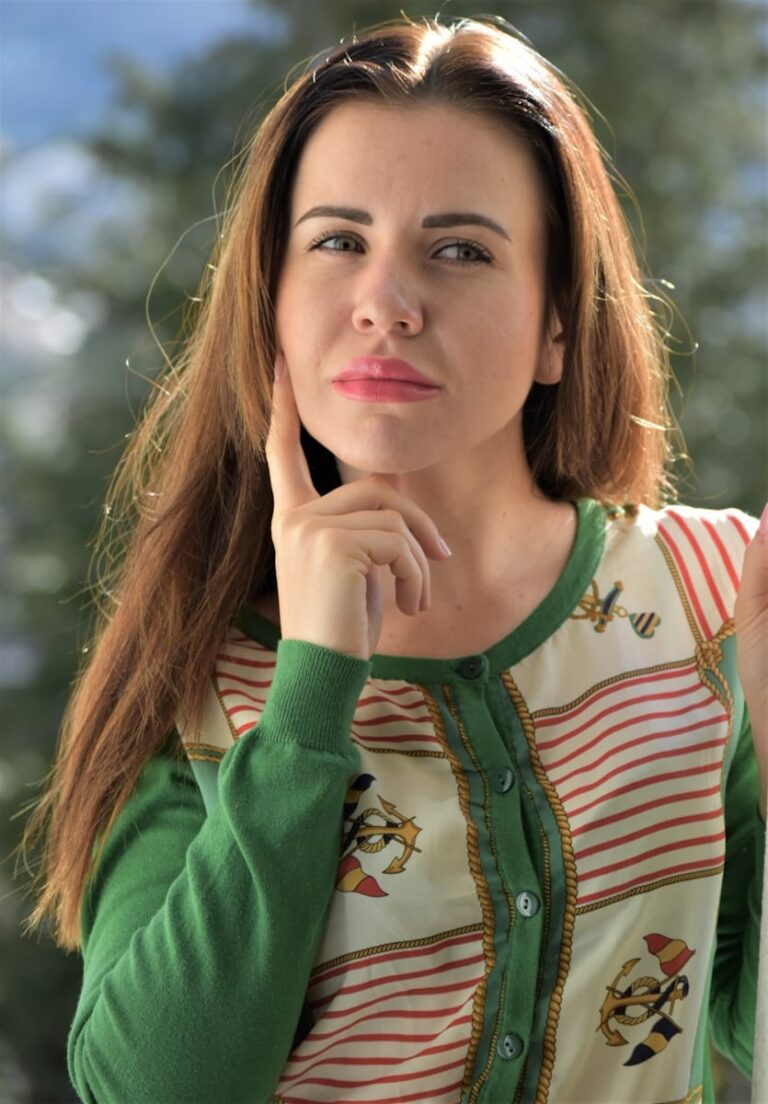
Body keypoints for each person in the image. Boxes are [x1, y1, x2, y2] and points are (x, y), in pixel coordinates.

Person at [18, 14, 766, 1104]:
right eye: (337, 242)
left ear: (559, 320)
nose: (387, 303)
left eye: (461, 250)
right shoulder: (198, 681)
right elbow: (144, 1089)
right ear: (270, 299)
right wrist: (311, 686)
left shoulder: (720, 601)